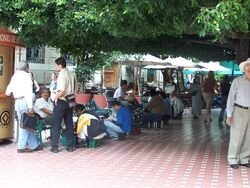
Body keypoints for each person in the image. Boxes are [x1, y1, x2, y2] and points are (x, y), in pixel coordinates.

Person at [5, 62, 42, 153]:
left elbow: (7, 92)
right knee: (25, 125)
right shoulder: (27, 76)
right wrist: (30, 107)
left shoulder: (15, 76)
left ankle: (34, 145)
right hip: (25, 102)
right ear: (26, 68)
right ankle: (21, 147)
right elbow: (28, 92)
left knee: (26, 123)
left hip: (17, 101)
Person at [226, 58, 250, 169]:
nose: (249, 68)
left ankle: (244, 158)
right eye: (248, 65)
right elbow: (230, 98)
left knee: (248, 136)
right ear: (244, 68)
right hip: (239, 110)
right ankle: (232, 159)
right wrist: (229, 115)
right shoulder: (238, 81)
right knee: (237, 135)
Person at [50, 57, 77, 153]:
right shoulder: (72, 73)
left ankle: (54, 147)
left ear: (60, 65)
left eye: (56, 65)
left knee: (56, 124)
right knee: (69, 123)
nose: (55, 67)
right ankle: (70, 146)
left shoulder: (62, 75)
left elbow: (61, 90)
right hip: (70, 100)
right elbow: (75, 89)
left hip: (61, 101)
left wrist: (56, 98)